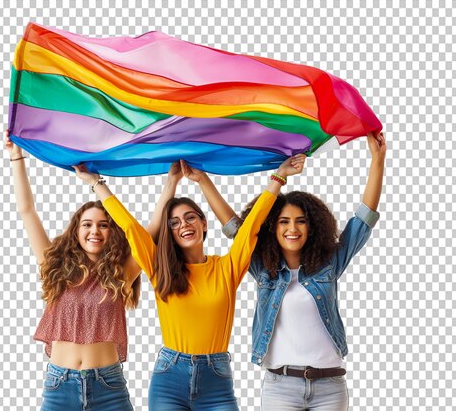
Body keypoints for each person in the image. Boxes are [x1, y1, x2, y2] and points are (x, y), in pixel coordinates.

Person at [73, 154, 306, 411]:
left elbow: (251, 228)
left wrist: (278, 178)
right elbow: (130, 227)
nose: (183, 224)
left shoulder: (227, 267)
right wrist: (96, 183)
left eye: (190, 217)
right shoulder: (159, 268)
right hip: (170, 377)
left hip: (216, 381)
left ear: (204, 223)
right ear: (169, 232)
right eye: (174, 223)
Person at [210, 132, 386, 410]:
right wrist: (202, 180)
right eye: (284, 222)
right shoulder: (262, 268)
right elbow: (235, 227)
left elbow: (363, 219)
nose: (293, 229)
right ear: (272, 227)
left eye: (300, 221)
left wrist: (378, 158)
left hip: (330, 386)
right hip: (281, 387)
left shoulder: (330, 263)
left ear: (311, 226)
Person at [5, 131, 175, 411]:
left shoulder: (120, 275)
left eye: (103, 225)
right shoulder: (54, 266)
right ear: (76, 230)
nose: (94, 230)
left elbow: (149, 235)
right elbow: (27, 211)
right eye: (87, 224)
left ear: (112, 233)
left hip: (108, 385)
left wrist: (170, 184)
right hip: (60, 386)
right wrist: (16, 156)